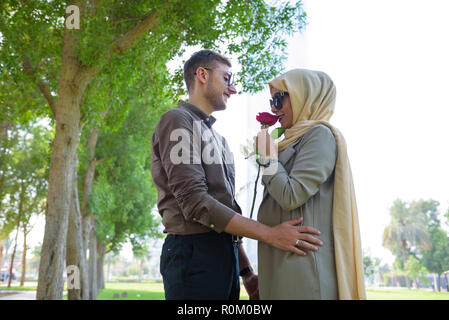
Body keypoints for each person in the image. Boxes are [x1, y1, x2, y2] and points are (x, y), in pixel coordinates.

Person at [151, 51, 323, 300]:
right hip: (193, 254)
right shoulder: (177, 120)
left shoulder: (219, 140)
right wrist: (271, 235)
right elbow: (195, 202)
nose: (232, 89)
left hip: (225, 255)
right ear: (202, 74)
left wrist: (246, 272)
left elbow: (223, 209)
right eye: (227, 78)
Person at [255, 69, 366, 300]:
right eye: (271, 101)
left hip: (303, 272)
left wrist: (266, 158)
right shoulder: (290, 142)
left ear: (303, 96)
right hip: (283, 263)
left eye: (279, 99)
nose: (274, 109)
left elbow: (291, 195)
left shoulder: (320, 135)